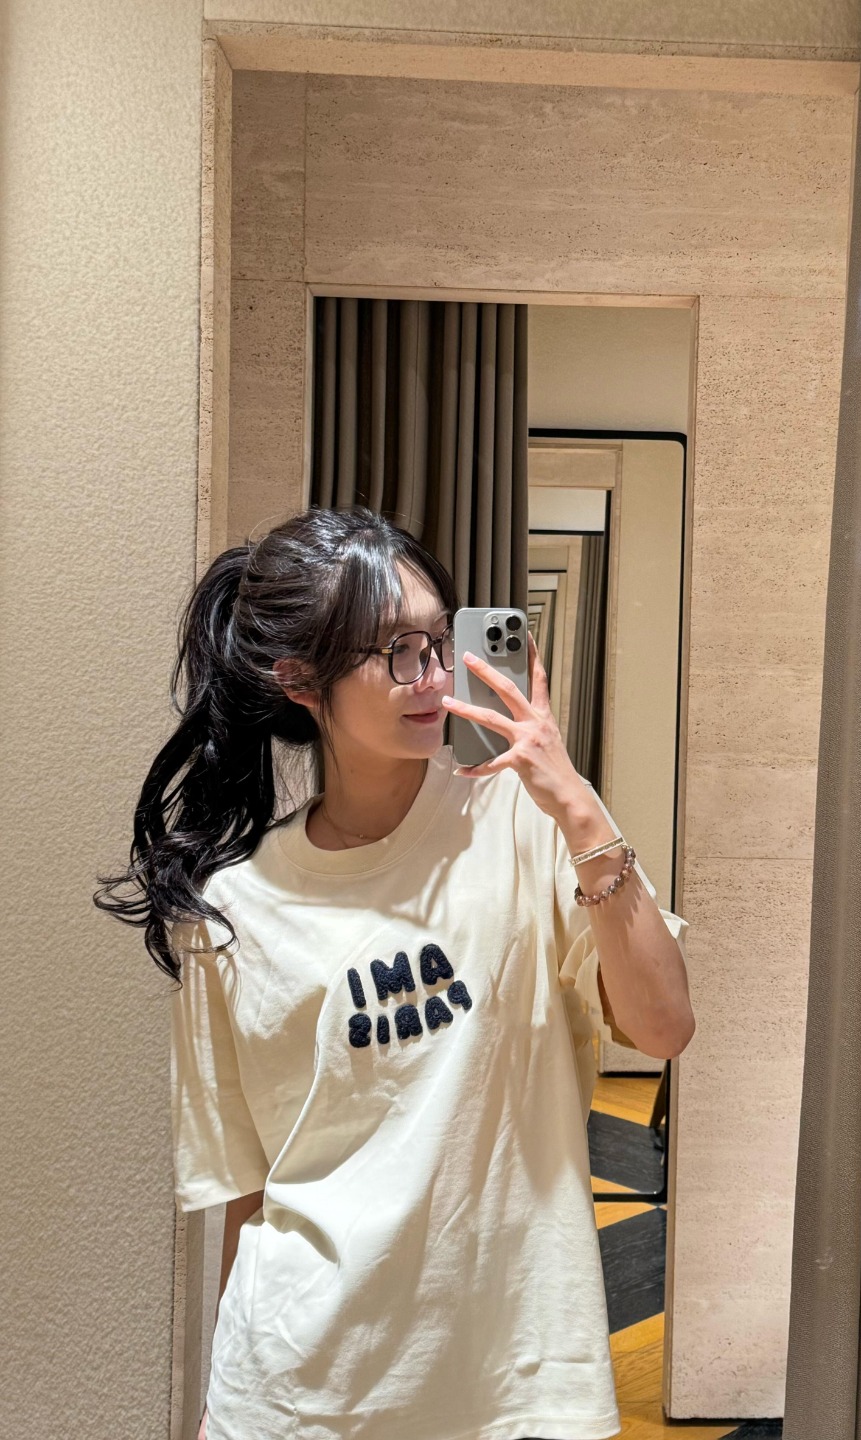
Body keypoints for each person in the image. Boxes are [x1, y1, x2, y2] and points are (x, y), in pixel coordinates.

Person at [95, 504, 695, 1440]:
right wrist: (223, 1405)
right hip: (296, 1390)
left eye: (438, 642)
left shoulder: (526, 825)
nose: (435, 676)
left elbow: (662, 1027)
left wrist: (579, 808)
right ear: (299, 679)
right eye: (396, 652)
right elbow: (253, 1192)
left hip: (518, 1380)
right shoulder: (231, 908)